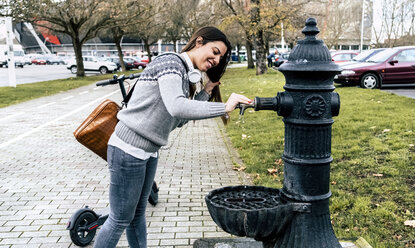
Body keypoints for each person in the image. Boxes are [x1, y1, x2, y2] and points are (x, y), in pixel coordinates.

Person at [93, 26, 251, 248]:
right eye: (215, 51)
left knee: (137, 216)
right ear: (199, 42)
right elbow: (177, 107)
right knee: (120, 219)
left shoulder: (186, 75)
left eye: (221, 57)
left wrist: (206, 91)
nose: (216, 59)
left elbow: (179, 118)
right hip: (127, 150)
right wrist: (224, 107)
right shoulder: (170, 62)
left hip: (148, 152)